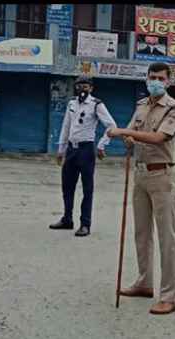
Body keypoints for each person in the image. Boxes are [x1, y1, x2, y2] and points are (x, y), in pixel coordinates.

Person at [107, 62, 175, 315]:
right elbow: (134, 132)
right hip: (140, 173)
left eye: (160, 78)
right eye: (152, 77)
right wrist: (127, 138)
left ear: (168, 81)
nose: (155, 81)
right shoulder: (141, 105)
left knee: (167, 237)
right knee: (141, 233)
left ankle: (170, 296)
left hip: (162, 174)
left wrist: (123, 132)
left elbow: (158, 138)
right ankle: (144, 282)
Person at [50, 75, 118, 237]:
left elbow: (111, 125)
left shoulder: (96, 104)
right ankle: (67, 219)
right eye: (79, 86)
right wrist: (61, 149)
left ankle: (85, 224)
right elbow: (66, 126)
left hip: (86, 150)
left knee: (87, 189)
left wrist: (102, 145)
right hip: (72, 150)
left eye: (85, 86)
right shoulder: (71, 103)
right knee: (67, 187)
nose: (82, 89)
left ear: (91, 88)